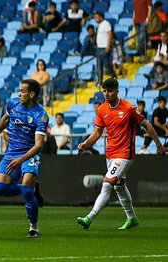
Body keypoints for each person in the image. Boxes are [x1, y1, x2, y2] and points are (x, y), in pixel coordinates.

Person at [76, 78, 166, 230]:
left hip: (125, 153)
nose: (106, 94)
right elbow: (98, 132)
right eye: (104, 91)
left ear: (117, 91)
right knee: (119, 187)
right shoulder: (102, 110)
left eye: (110, 91)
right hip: (110, 153)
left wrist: (159, 145)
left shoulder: (129, 108)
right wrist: (87, 143)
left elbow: (147, 126)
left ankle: (89, 218)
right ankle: (132, 219)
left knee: (107, 183)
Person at [0, 79, 49, 238]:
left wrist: (21, 160)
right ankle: (33, 190)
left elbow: (38, 146)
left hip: (30, 154)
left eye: (22, 91)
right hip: (11, 153)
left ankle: (33, 227)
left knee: (27, 185)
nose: (19, 93)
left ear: (32, 94)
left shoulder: (40, 116)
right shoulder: (13, 104)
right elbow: (5, 119)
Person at [94, 11, 115, 86]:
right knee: (99, 65)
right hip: (99, 48)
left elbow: (109, 34)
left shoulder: (106, 23)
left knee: (106, 64)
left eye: (96, 17)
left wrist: (108, 46)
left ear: (101, 17)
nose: (95, 19)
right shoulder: (99, 25)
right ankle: (100, 81)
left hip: (104, 47)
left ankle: (113, 75)